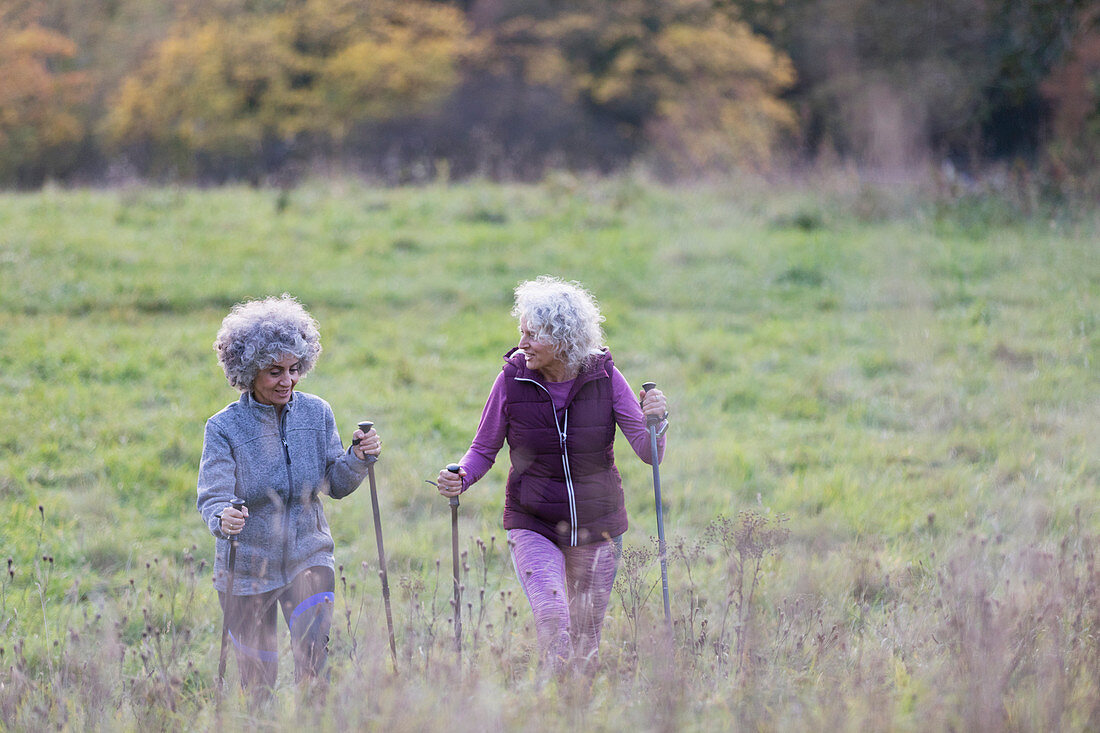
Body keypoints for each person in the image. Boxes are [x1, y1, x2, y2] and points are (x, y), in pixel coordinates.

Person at [434, 275, 669, 677]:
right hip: (533, 523)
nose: (521, 343)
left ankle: (573, 711)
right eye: (521, 332)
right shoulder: (512, 379)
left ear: (563, 340)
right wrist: (461, 476)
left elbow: (649, 453)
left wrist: (658, 421)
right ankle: (549, 704)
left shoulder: (605, 378)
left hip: (600, 528)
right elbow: (484, 448)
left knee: (585, 643)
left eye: (532, 334)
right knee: (554, 621)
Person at [197, 294, 381, 695]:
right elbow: (213, 496)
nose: (287, 381)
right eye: (274, 371)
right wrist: (222, 517)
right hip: (246, 569)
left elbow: (336, 484)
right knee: (257, 683)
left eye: (294, 369)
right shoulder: (224, 428)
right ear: (247, 372)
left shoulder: (317, 414)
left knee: (314, 667)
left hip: (309, 556)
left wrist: (358, 459)